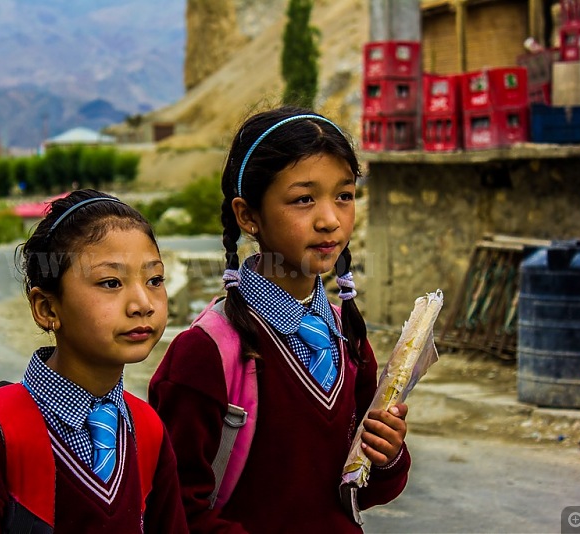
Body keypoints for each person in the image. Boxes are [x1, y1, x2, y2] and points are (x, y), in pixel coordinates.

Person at [148, 106, 411, 533]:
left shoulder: (348, 337)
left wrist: (387, 454)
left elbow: (361, 489)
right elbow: (176, 510)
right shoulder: (206, 354)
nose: (330, 220)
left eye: (344, 195)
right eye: (303, 199)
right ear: (248, 216)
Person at [0, 189, 188, 533]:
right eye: (111, 282)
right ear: (47, 308)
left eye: (155, 280)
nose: (143, 303)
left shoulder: (146, 431)